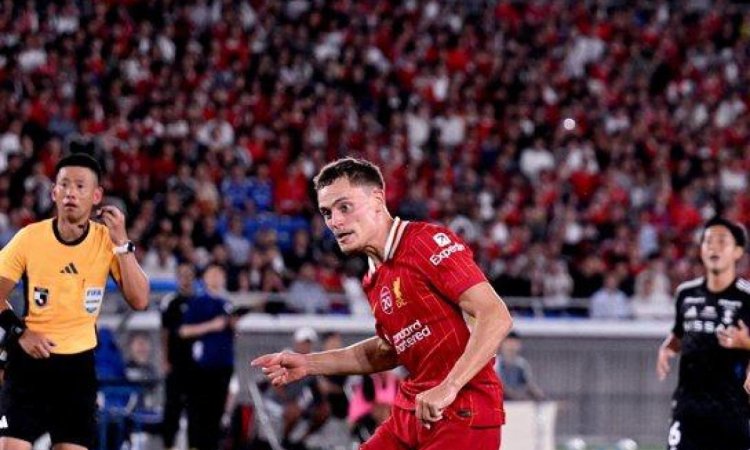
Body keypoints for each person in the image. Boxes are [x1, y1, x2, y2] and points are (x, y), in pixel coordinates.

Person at [252, 157, 513, 449]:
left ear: (377, 200)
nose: (334, 222)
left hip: (463, 408)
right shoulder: (373, 277)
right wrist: (309, 363)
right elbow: (386, 351)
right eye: (327, 213)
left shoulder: (425, 242)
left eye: (344, 207)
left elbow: (496, 315)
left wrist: (449, 387)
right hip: (411, 410)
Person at [0, 153, 150, 450]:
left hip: (77, 369)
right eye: (65, 184)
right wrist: (20, 332)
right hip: (28, 366)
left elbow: (140, 299)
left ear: (96, 196)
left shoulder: (107, 241)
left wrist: (123, 244)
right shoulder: (30, 238)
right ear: (54, 192)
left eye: (80, 186)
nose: (71, 192)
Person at [657, 216, 750, 450]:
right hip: (688, 409)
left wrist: (746, 343)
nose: (713, 247)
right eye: (708, 241)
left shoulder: (747, 297)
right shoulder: (686, 294)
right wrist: (668, 348)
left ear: (738, 251)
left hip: (732, 410)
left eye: (722, 241)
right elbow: (679, 334)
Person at [179, 264, 234, 450]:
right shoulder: (198, 302)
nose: (216, 277)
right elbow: (184, 330)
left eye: (220, 274)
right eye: (213, 274)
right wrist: (211, 326)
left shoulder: (227, 304)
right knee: (198, 410)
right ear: (205, 278)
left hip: (223, 364)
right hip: (202, 366)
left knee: (217, 412)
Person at [160, 263, 196, 450]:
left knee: (195, 408)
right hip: (175, 363)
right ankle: (169, 445)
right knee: (172, 407)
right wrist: (165, 359)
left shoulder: (199, 302)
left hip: (196, 366)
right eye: (182, 275)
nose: (185, 279)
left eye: (189, 275)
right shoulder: (170, 302)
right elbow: (165, 332)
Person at [495, 331, 544, 401]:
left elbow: (529, 384)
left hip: (517, 402)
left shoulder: (522, 364)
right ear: (501, 345)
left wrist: (538, 394)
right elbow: (498, 385)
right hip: (499, 401)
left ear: (519, 346)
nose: (511, 347)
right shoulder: (495, 363)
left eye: (514, 344)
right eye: (508, 343)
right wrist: (514, 395)